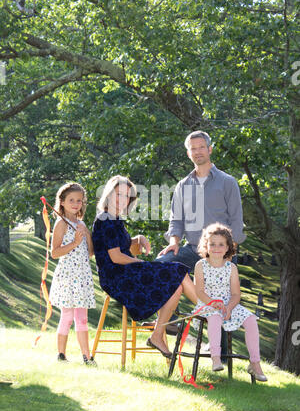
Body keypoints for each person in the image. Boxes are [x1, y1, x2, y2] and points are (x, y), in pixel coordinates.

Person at [92, 175, 199, 359]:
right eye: (119, 194)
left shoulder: (115, 220)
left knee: (177, 284)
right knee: (178, 270)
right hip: (116, 277)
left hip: (125, 272)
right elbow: (116, 257)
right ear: (108, 195)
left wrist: (138, 238)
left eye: (127, 196)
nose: (122, 200)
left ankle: (157, 335)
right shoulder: (105, 219)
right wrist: (140, 263)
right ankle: (208, 308)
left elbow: (122, 246)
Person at [157, 130, 246, 349]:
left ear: (209, 149)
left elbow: (236, 219)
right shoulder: (182, 186)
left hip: (221, 251)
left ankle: (220, 353)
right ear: (188, 154)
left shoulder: (227, 182)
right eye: (193, 148)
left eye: (201, 147)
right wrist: (174, 241)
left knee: (222, 297)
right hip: (192, 248)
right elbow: (176, 220)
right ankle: (165, 320)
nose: (197, 152)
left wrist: (228, 251)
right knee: (161, 266)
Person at [193, 222, 267, 381]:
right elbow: (199, 291)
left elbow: (235, 294)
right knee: (214, 318)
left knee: (251, 320)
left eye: (221, 244)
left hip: (229, 304)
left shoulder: (231, 267)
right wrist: (214, 303)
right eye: (212, 244)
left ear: (228, 247)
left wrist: (229, 307)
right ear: (206, 245)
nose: (216, 247)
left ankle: (255, 363)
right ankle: (216, 357)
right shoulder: (200, 265)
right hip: (207, 304)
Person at [49, 182, 97, 366]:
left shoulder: (81, 223)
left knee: (82, 318)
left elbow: (90, 252)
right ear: (61, 202)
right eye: (71, 200)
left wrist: (86, 235)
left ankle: (87, 356)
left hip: (82, 277)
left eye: (79, 200)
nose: (76, 204)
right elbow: (55, 253)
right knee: (67, 316)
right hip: (68, 276)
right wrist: (75, 243)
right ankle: (61, 355)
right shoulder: (61, 223)